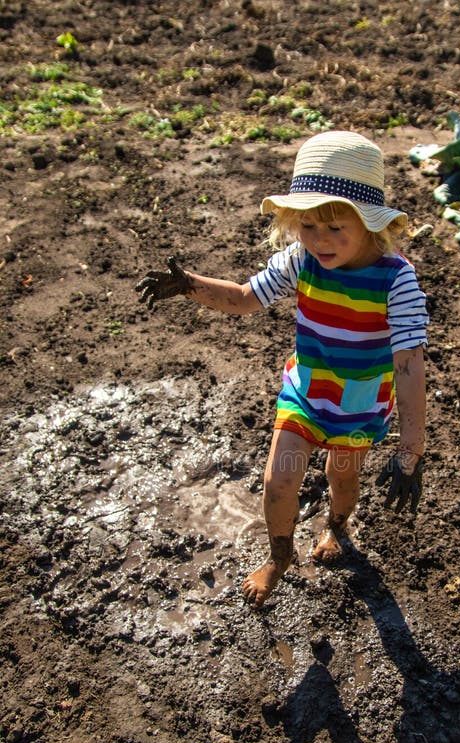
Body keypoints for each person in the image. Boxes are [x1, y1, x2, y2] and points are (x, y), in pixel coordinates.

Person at [136, 130, 429, 609]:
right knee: (279, 479)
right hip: (307, 395)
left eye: (336, 227)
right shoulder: (302, 260)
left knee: (342, 478)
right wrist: (189, 285)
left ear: (370, 224)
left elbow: (409, 364)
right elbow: (244, 297)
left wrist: (411, 448)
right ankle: (280, 556)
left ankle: (337, 527)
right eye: (308, 226)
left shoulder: (396, 281)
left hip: (358, 408)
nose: (320, 240)